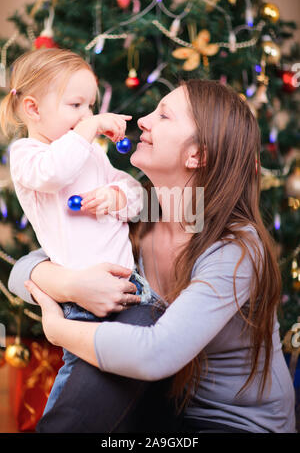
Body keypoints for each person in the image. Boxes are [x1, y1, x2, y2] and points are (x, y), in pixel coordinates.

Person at [8, 79, 296, 433]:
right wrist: (72, 284)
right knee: (115, 344)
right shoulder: (143, 209)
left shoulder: (235, 246)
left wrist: (58, 330)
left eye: (164, 115)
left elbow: (154, 354)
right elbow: (21, 271)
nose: (142, 120)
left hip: (230, 423)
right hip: (161, 404)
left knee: (124, 333)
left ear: (197, 154)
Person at [0, 47, 150, 415]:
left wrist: (118, 196)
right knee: (78, 392)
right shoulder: (28, 155)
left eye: (90, 106)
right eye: (76, 105)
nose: (88, 115)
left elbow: (133, 190)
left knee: (126, 390)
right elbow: (55, 174)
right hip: (82, 305)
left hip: (129, 287)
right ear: (33, 109)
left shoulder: (93, 155)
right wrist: (89, 129)